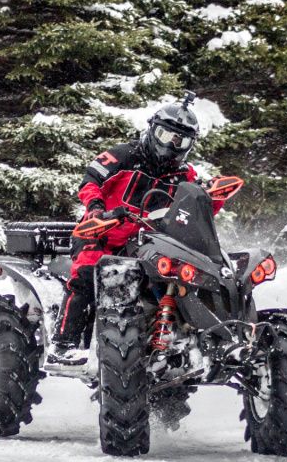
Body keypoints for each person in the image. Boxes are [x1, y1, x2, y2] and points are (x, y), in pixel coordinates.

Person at [52, 92, 226, 364]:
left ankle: (180, 342)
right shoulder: (123, 155)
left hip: (150, 244)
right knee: (86, 274)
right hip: (102, 235)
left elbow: (195, 206)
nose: (172, 145)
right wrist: (97, 207)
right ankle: (64, 343)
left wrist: (213, 196)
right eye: (166, 135)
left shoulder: (185, 174)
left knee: (183, 280)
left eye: (181, 141)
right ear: (152, 129)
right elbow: (90, 180)